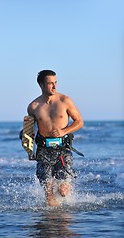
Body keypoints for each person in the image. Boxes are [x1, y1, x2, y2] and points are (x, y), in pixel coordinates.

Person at [27, 70, 84, 206]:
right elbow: (29, 130)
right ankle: (52, 223)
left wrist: (64, 131)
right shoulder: (33, 106)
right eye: (50, 83)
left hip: (63, 149)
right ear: (41, 85)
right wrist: (29, 150)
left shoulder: (65, 101)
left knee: (63, 190)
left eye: (55, 83)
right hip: (43, 150)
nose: (54, 86)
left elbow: (79, 121)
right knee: (48, 192)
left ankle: (63, 216)